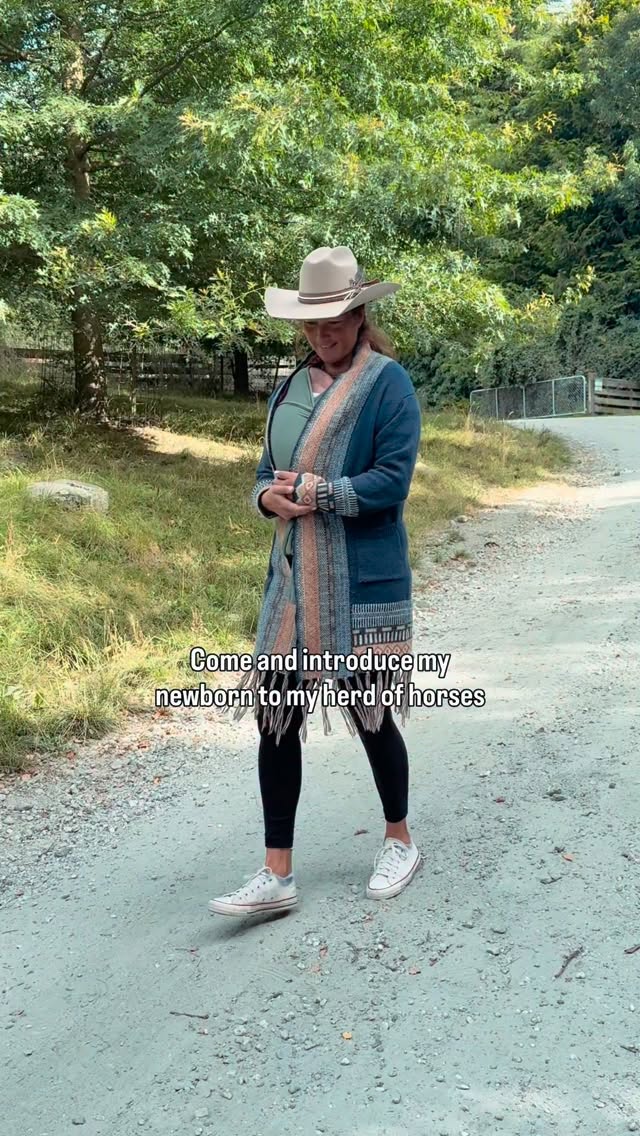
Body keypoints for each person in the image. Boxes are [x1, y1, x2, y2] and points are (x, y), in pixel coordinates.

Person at [208, 245, 422, 918]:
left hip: (362, 580)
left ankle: (398, 839)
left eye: (337, 320)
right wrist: (266, 500)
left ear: (360, 315)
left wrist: (322, 492)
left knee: (372, 713)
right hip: (294, 581)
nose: (325, 334)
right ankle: (277, 873)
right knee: (277, 716)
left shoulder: (388, 384)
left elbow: (393, 481)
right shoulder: (291, 387)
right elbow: (264, 475)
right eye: (313, 324)